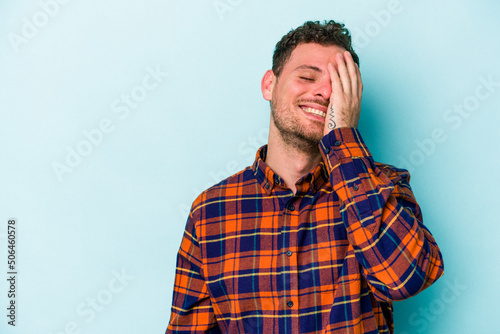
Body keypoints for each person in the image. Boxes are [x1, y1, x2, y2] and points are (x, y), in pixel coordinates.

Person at [165, 20, 444, 334]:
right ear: (270, 85)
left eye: (339, 86)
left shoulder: (385, 186)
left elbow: (404, 278)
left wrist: (342, 136)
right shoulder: (210, 212)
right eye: (307, 77)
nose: (324, 93)